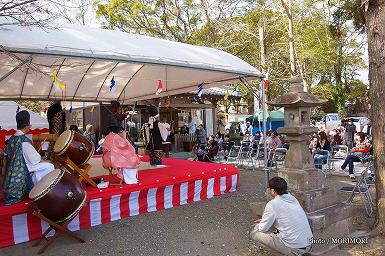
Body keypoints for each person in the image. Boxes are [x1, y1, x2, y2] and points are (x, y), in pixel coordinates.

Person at [2, 111, 54, 205]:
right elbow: (35, 160)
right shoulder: (24, 141)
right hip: (23, 168)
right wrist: (40, 158)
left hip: (11, 170)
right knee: (49, 166)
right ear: (26, 127)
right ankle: (39, 190)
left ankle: (36, 186)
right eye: (29, 125)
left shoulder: (11, 139)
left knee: (43, 165)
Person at [250, 177, 313, 255]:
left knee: (254, 234)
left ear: (272, 190)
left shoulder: (272, 204)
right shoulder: (293, 199)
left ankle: (291, 254)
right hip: (309, 244)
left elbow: (262, 228)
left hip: (295, 248)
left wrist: (258, 225)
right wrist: (264, 221)